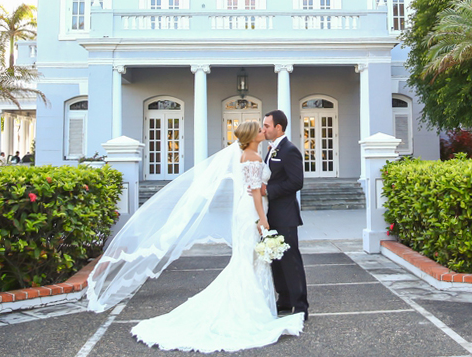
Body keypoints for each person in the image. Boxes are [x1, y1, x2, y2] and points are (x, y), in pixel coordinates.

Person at [87, 120, 303, 352]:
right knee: (249, 260)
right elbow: (254, 193)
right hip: (251, 210)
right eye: (260, 129)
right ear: (251, 136)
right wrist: (262, 219)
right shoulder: (253, 157)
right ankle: (249, 309)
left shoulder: (250, 154)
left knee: (248, 259)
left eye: (265, 127)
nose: (264, 131)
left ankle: (256, 304)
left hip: (246, 209)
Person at [260, 110, 309, 320]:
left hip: (286, 215)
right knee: (276, 260)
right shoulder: (271, 150)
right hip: (272, 215)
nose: (264, 129)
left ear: (278, 127)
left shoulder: (290, 150)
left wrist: (269, 191)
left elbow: (296, 182)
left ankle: (300, 306)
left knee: (291, 261)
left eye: (267, 126)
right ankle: (285, 300)